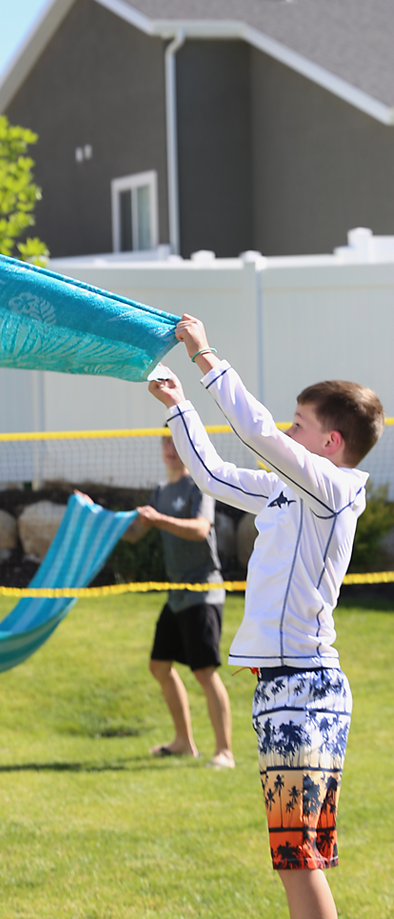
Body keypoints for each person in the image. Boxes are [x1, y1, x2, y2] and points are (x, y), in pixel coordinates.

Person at [148, 313, 384, 919]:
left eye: (299, 424)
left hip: (304, 689)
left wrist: (205, 357)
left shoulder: (332, 489)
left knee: (298, 856)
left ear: (330, 442)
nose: (287, 429)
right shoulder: (289, 489)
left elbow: (256, 433)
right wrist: (180, 409)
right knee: (295, 857)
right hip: (282, 689)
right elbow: (215, 475)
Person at [121, 436, 234, 769]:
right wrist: (93, 513)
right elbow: (133, 533)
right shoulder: (159, 491)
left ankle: (224, 751)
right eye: (165, 442)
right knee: (159, 666)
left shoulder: (200, 485)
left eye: (176, 443)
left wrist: (160, 521)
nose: (170, 449)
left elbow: (200, 530)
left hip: (203, 592)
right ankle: (184, 742)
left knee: (204, 671)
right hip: (177, 594)